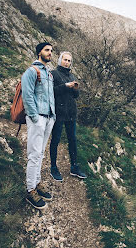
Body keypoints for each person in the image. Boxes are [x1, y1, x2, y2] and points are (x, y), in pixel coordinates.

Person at [22, 42, 56, 209]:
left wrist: (53, 116)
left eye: (51, 51)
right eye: (47, 50)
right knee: (34, 154)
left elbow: (50, 97)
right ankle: (30, 190)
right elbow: (27, 96)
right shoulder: (31, 71)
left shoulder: (49, 74)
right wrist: (35, 117)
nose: (50, 53)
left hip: (49, 118)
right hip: (38, 118)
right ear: (39, 53)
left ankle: (36, 182)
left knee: (41, 153)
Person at [49, 51, 87, 181]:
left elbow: (76, 96)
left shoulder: (72, 76)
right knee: (56, 139)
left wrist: (76, 89)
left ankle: (74, 167)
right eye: (65, 60)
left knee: (73, 140)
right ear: (60, 60)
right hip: (59, 113)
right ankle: (53, 167)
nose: (67, 62)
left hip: (71, 113)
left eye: (69, 61)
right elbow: (51, 92)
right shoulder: (53, 74)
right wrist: (65, 86)